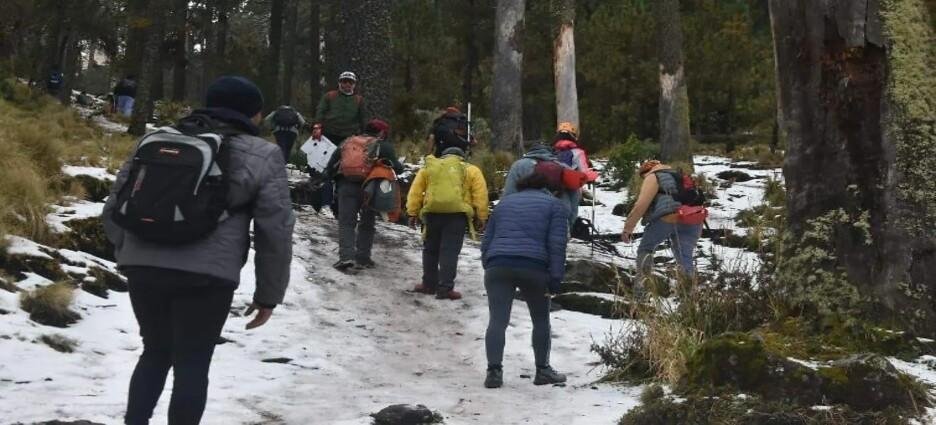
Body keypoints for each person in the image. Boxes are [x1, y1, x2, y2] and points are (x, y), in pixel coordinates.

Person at [102, 75, 295, 425]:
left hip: (143, 266)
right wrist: (269, 294)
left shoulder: (156, 140)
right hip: (207, 275)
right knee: (192, 361)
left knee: (155, 351)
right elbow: (275, 230)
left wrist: (128, 253)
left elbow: (115, 204)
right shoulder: (264, 154)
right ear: (254, 114)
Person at [481, 162, 570, 388]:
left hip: (498, 264)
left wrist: (489, 263)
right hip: (534, 267)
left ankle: (493, 372)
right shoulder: (555, 205)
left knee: (497, 321)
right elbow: (557, 245)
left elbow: (487, 239)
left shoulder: (504, 203)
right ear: (548, 187)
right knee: (540, 320)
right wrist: (556, 278)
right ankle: (542, 371)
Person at [407, 144, 489, 300]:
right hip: (456, 216)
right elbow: (480, 194)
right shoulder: (471, 170)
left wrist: (412, 213)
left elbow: (415, 191)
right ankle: (445, 288)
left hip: (431, 213)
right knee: (449, 251)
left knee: (430, 250)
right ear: (461, 157)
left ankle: (428, 284)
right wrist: (481, 216)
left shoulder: (431, 167)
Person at [325, 118, 403, 270]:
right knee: (367, 223)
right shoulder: (383, 145)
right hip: (371, 188)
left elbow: (332, 164)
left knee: (347, 222)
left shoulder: (348, 142)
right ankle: (363, 257)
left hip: (346, 185)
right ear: (381, 132)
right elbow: (398, 168)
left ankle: (346, 257)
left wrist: (328, 179)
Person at [621, 160, 703, 287]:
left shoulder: (654, 176)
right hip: (693, 218)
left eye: (642, 176)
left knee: (646, 249)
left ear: (646, 171)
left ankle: (641, 291)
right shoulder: (679, 175)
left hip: (669, 217)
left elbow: (641, 205)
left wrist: (628, 228)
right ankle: (689, 294)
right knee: (684, 256)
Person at [314, 71, 366, 215]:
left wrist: (364, 137)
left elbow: (363, 120)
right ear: (339, 82)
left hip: (349, 140)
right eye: (344, 81)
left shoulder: (359, 100)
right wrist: (317, 126)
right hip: (328, 136)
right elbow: (320, 111)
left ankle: (342, 206)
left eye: (350, 82)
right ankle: (325, 205)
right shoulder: (330, 96)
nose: (347, 84)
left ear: (354, 84)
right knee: (325, 170)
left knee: (346, 171)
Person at [552, 122, 599, 225]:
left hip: (552, 187)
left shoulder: (551, 151)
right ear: (573, 136)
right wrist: (594, 175)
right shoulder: (577, 152)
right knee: (570, 215)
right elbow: (584, 173)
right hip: (571, 188)